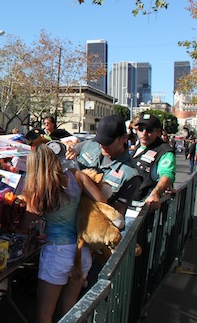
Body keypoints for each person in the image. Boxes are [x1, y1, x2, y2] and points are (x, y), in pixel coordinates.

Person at [22, 144, 107, 323]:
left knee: (45, 313)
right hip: (80, 251)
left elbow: (24, 225)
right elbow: (102, 202)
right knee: (70, 311)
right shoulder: (77, 176)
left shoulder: (39, 190)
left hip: (57, 254)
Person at [66, 114, 141, 216]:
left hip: (94, 222)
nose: (102, 145)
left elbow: (116, 214)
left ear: (124, 138)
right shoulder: (90, 146)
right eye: (100, 141)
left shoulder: (130, 175)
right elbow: (71, 151)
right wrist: (69, 151)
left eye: (108, 142)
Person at [132, 114, 176, 209]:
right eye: (141, 129)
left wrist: (156, 193)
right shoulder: (139, 146)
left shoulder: (164, 151)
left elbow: (167, 175)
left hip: (143, 207)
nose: (144, 133)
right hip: (128, 203)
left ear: (158, 132)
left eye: (149, 130)